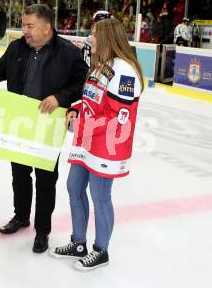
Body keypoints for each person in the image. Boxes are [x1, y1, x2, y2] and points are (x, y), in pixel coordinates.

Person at [0, 4, 88, 253]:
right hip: (20, 122)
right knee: (20, 175)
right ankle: (21, 216)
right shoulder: (17, 48)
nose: (24, 30)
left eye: (29, 26)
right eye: (23, 24)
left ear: (47, 27)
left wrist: (60, 97)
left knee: (46, 180)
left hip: (49, 126)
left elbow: (82, 83)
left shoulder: (68, 53)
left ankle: (42, 230)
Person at [49, 18, 144, 271]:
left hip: (107, 145)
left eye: (93, 34)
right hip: (86, 139)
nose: (89, 38)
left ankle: (101, 250)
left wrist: (84, 125)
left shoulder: (124, 71)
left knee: (100, 196)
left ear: (107, 39)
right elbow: (88, 98)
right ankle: (78, 242)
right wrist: (73, 109)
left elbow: (119, 117)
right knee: (73, 187)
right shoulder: (99, 65)